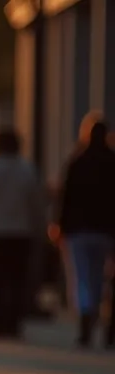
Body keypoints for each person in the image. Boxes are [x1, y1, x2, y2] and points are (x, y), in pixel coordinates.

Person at [0, 128, 48, 340]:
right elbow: (37, 203)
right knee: (17, 279)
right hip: (21, 232)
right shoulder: (27, 170)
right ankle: (14, 323)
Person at [58, 115, 115, 347]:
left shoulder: (77, 161)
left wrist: (59, 225)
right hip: (107, 230)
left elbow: (66, 197)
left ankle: (86, 323)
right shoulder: (112, 162)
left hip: (79, 230)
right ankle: (104, 321)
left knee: (82, 277)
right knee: (102, 277)